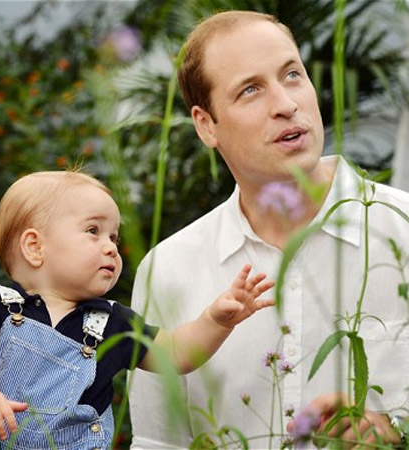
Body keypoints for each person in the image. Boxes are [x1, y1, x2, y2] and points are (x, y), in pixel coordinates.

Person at [128, 10, 409, 449]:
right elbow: (158, 443)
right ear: (206, 124)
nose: (285, 104)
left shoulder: (403, 231)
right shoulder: (167, 270)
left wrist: (398, 433)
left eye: (292, 75)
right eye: (251, 89)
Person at [0, 170, 275, 450]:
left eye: (113, 237)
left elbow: (176, 354)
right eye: (93, 231)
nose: (111, 248)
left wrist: (214, 320)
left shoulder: (112, 321)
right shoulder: (0, 306)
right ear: (35, 247)